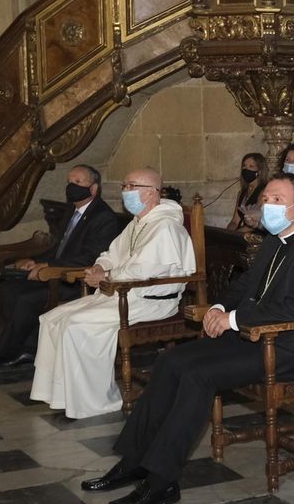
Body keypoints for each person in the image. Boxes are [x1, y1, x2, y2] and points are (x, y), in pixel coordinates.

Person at [83, 174, 294, 504]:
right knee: (171, 361)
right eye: (266, 199)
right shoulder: (273, 241)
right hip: (256, 337)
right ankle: (134, 461)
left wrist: (233, 320)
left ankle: (162, 481)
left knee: (198, 375)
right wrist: (219, 307)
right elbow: (245, 285)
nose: (268, 206)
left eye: (277, 199)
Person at [30, 169, 196, 420]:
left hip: (150, 302)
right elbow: (112, 253)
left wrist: (107, 277)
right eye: (124, 185)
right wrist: (101, 267)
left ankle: (94, 402)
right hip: (123, 294)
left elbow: (144, 270)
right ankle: (61, 394)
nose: (125, 191)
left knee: (76, 326)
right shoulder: (138, 222)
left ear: (151, 193)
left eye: (131, 186)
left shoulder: (165, 228)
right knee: (52, 318)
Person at [0, 165, 120, 368]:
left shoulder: (103, 217)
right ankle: (27, 348)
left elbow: (90, 257)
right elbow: (59, 247)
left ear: (93, 189)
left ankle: (3, 354)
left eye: (78, 183)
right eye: (70, 182)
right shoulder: (71, 210)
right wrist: (36, 260)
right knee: (7, 288)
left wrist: (48, 265)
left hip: (75, 281)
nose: (71, 187)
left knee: (26, 299)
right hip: (56, 272)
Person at [226, 152, 267, 231]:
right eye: (244, 166)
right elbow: (235, 221)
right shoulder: (242, 193)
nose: (246, 169)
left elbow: (254, 222)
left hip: (257, 235)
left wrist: (235, 235)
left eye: (251, 166)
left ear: (260, 171)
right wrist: (227, 233)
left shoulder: (264, 192)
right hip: (242, 234)